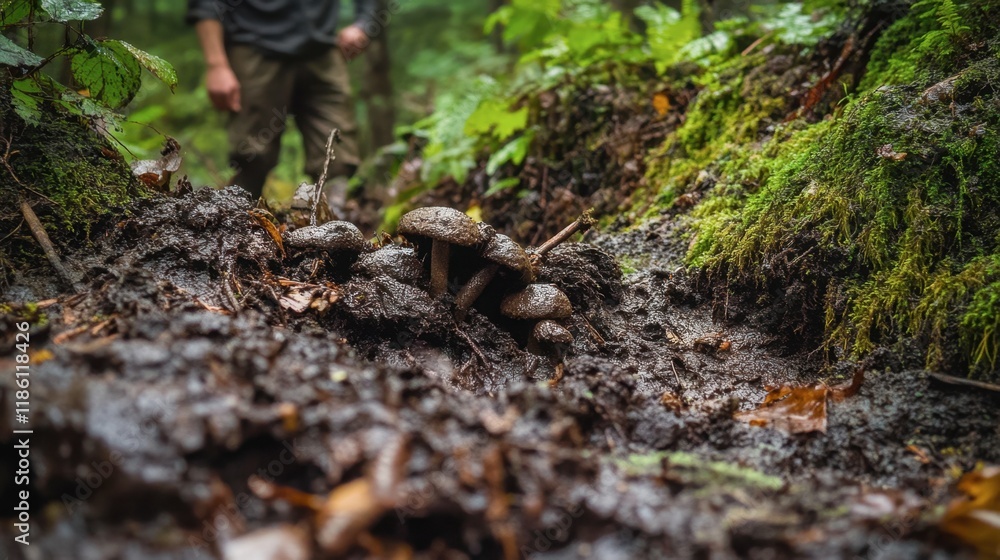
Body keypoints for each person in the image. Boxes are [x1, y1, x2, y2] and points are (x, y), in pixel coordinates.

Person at [185, 0, 374, 204]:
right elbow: (205, 4)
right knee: (251, 156)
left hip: (323, 50)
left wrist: (363, 24)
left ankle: (339, 215)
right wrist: (216, 64)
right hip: (255, 49)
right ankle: (237, 215)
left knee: (338, 158)